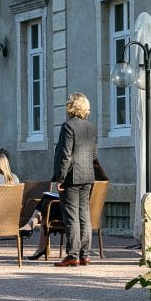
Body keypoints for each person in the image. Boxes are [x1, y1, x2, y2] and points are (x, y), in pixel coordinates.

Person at [52, 92, 98, 267]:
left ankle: (72, 254)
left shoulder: (68, 126)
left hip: (71, 176)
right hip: (88, 176)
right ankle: (85, 254)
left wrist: (60, 177)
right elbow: (94, 155)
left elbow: (65, 155)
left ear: (71, 107)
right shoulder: (91, 127)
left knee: (71, 216)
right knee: (84, 215)